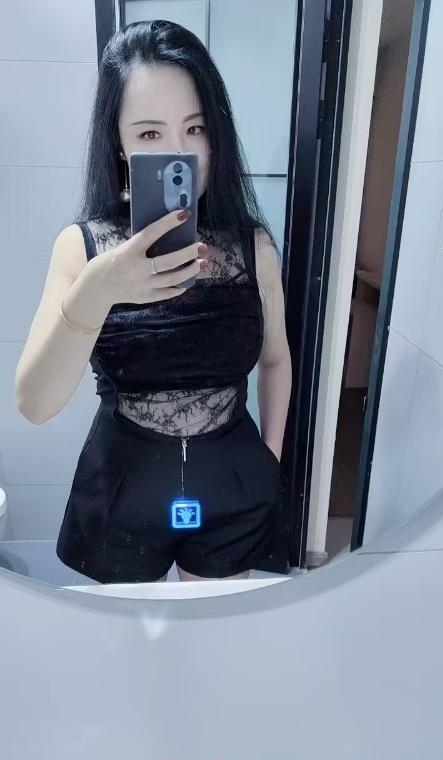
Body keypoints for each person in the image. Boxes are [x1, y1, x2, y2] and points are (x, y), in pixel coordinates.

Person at [15, 20, 292, 584]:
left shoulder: (253, 247)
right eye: (149, 133)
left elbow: (276, 360)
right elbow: (35, 405)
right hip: (122, 488)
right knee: (128, 635)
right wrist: (97, 289)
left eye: (195, 128)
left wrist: (270, 458)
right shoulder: (82, 248)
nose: (178, 154)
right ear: (118, 143)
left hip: (232, 486)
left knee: (214, 630)